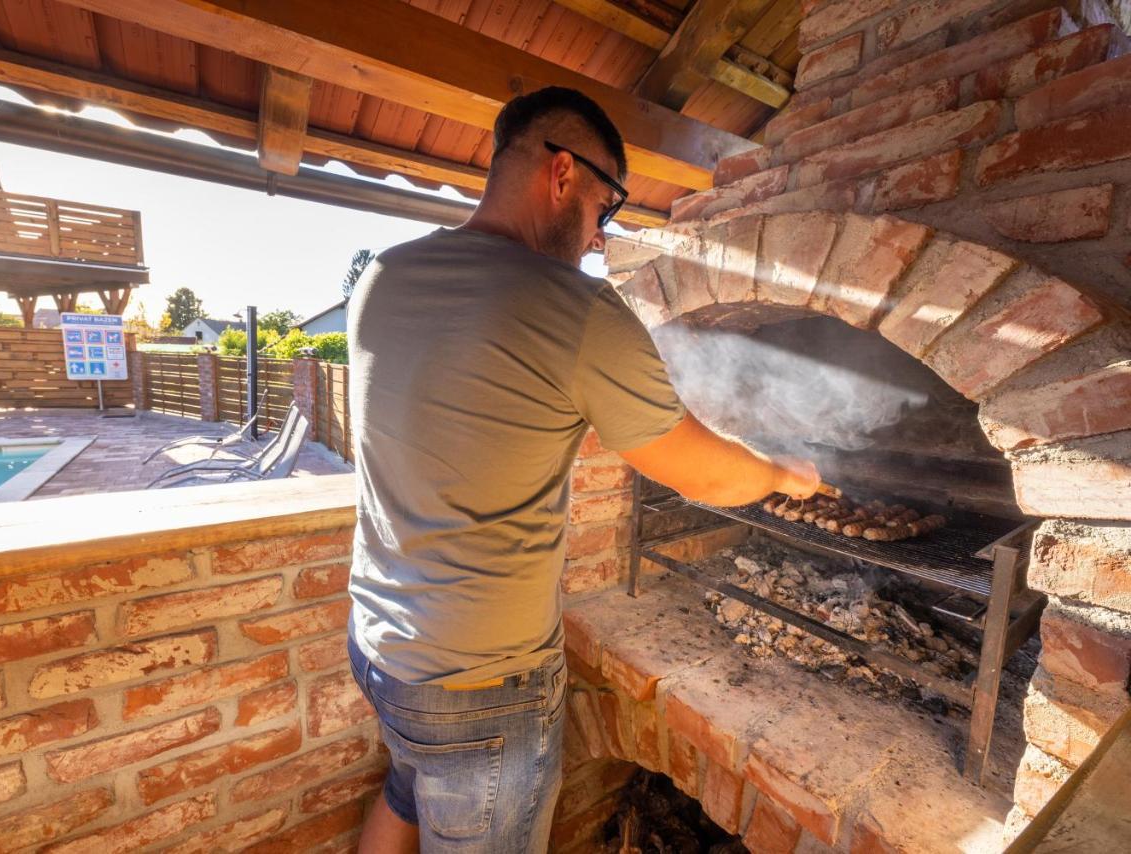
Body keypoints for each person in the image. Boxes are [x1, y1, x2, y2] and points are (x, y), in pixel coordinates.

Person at [346, 86, 819, 853]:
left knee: (407, 785)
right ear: (562, 172)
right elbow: (702, 476)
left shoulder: (383, 276)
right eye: (607, 208)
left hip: (378, 644)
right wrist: (780, 473)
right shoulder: (578, 311)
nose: (602, 237)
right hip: (480, 688)